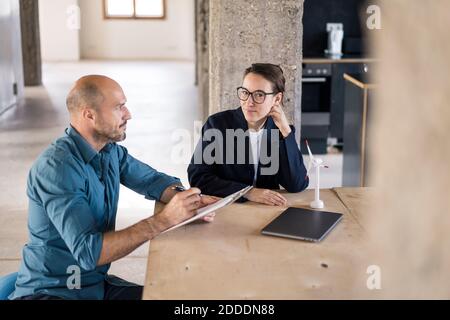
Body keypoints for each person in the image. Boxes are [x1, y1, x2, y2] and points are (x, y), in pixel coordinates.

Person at [9, 75, 216, 300]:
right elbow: (89, 252)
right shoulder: (57, 169)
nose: (128, 114)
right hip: (55, 292)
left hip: (93, 287)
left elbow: (152, 180)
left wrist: (187, 199)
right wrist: (164, 220)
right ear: (89, 114)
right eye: (119, 107)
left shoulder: (109, 151)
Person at [188, 63, 309, 206]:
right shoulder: (217, 124)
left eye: (259, 95)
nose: (249, 102)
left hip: (266, 211)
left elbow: (297, 184)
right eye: (245, 92)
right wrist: (247, 192)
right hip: (228, 208)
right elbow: (198, 177)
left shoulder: (280, 131)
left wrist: (285, 130)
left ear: (277, 99)